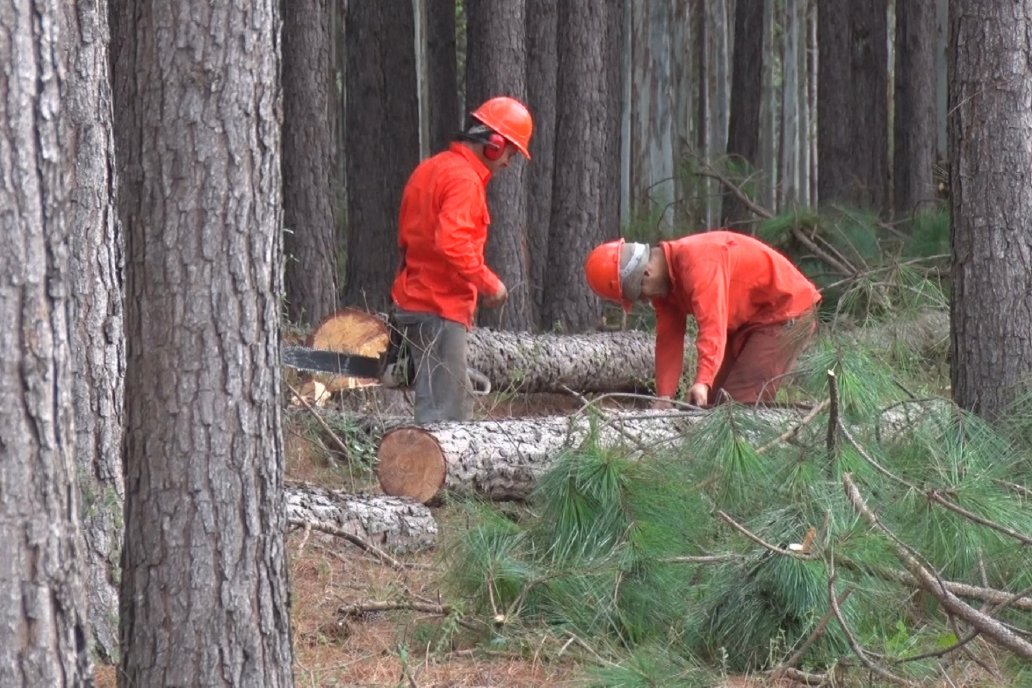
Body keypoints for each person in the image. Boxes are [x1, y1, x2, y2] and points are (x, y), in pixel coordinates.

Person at [390, 96, 533, 423]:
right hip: (439, 307)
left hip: (417, 301)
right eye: (510, 152)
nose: (509, 162)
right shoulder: (464, 180)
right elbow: (451, 241)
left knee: (446, 402)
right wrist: (489, 283)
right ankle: (432, 474)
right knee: (446, 419)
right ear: (493, 144)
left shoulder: (433, 167)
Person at [584, 231, 821, 408]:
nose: (646, 301)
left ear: (646, 274)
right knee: (714, 404)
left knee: (737, 406)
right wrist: (664, 396)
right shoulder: (667, 289)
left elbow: (712, 324)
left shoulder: (698, 263)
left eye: (641, 295)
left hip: (785, 311)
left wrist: (702, 381)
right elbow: (668, 339)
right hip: (749, 320)